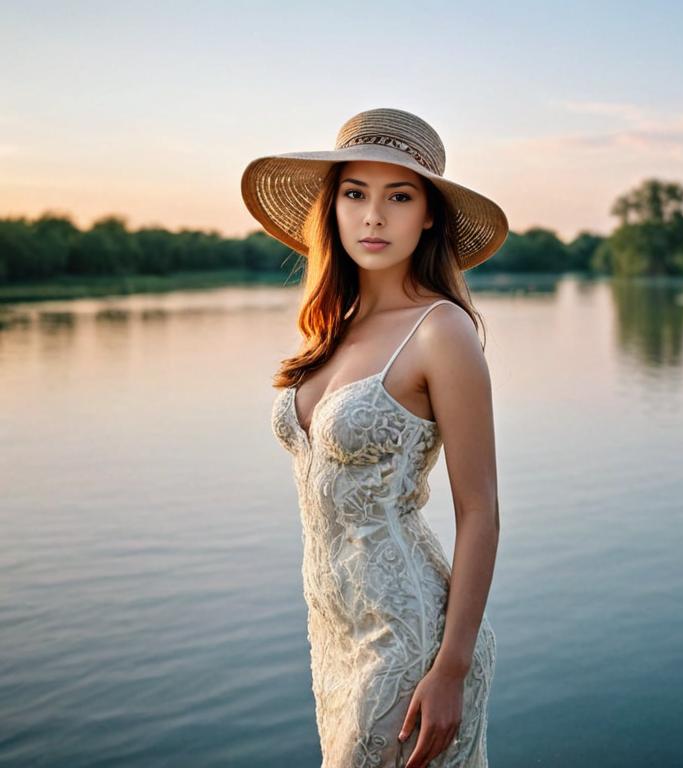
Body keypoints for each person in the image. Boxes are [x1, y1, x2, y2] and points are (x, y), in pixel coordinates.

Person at [241, 107, 508, 768]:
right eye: (355, 194)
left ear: (428, 217)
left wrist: (452, 667)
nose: (373, 216)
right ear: (332, 210)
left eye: (399, 197)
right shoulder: (333, 328)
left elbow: (480, 511)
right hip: (332, 630)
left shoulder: (441, 332)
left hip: (406, 634)